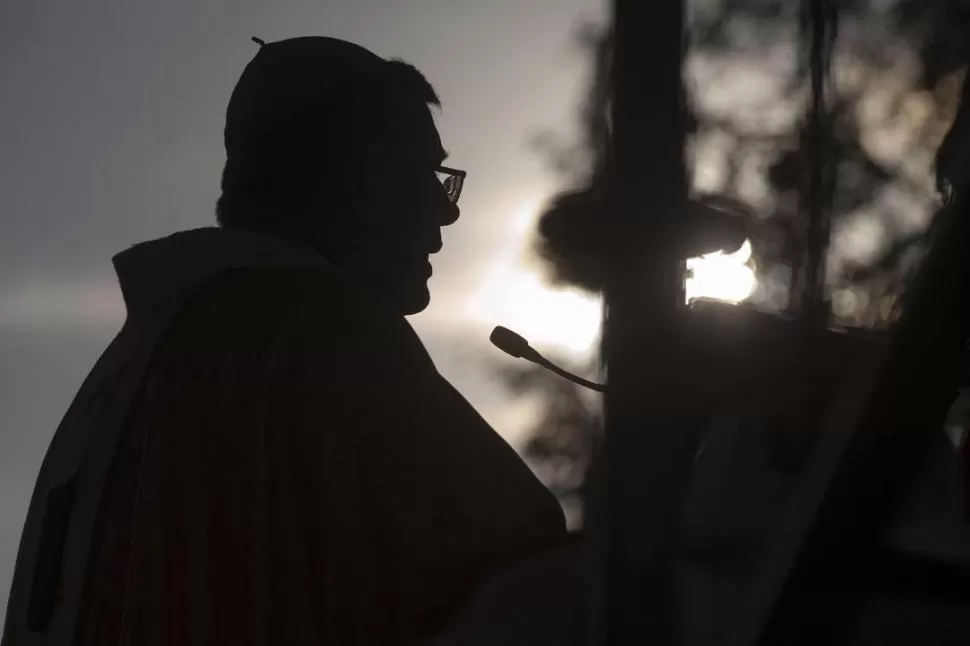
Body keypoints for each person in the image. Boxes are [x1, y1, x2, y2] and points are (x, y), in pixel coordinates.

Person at [2, 36, 570, 646]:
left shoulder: (149, 357)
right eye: (418, 173)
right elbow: (526, 562)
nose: (445, 209)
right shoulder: (313, 333)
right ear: (341, 175)